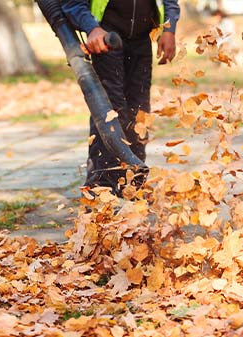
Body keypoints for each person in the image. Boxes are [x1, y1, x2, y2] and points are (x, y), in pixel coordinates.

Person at [61, 0, 180, 197]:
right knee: (109, 112)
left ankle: (133, 185)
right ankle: (101, 189)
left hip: (142, 39)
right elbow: (72, 4)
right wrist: (92, 28)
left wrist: (169, 29)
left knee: (139, 112)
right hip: (107, 38)